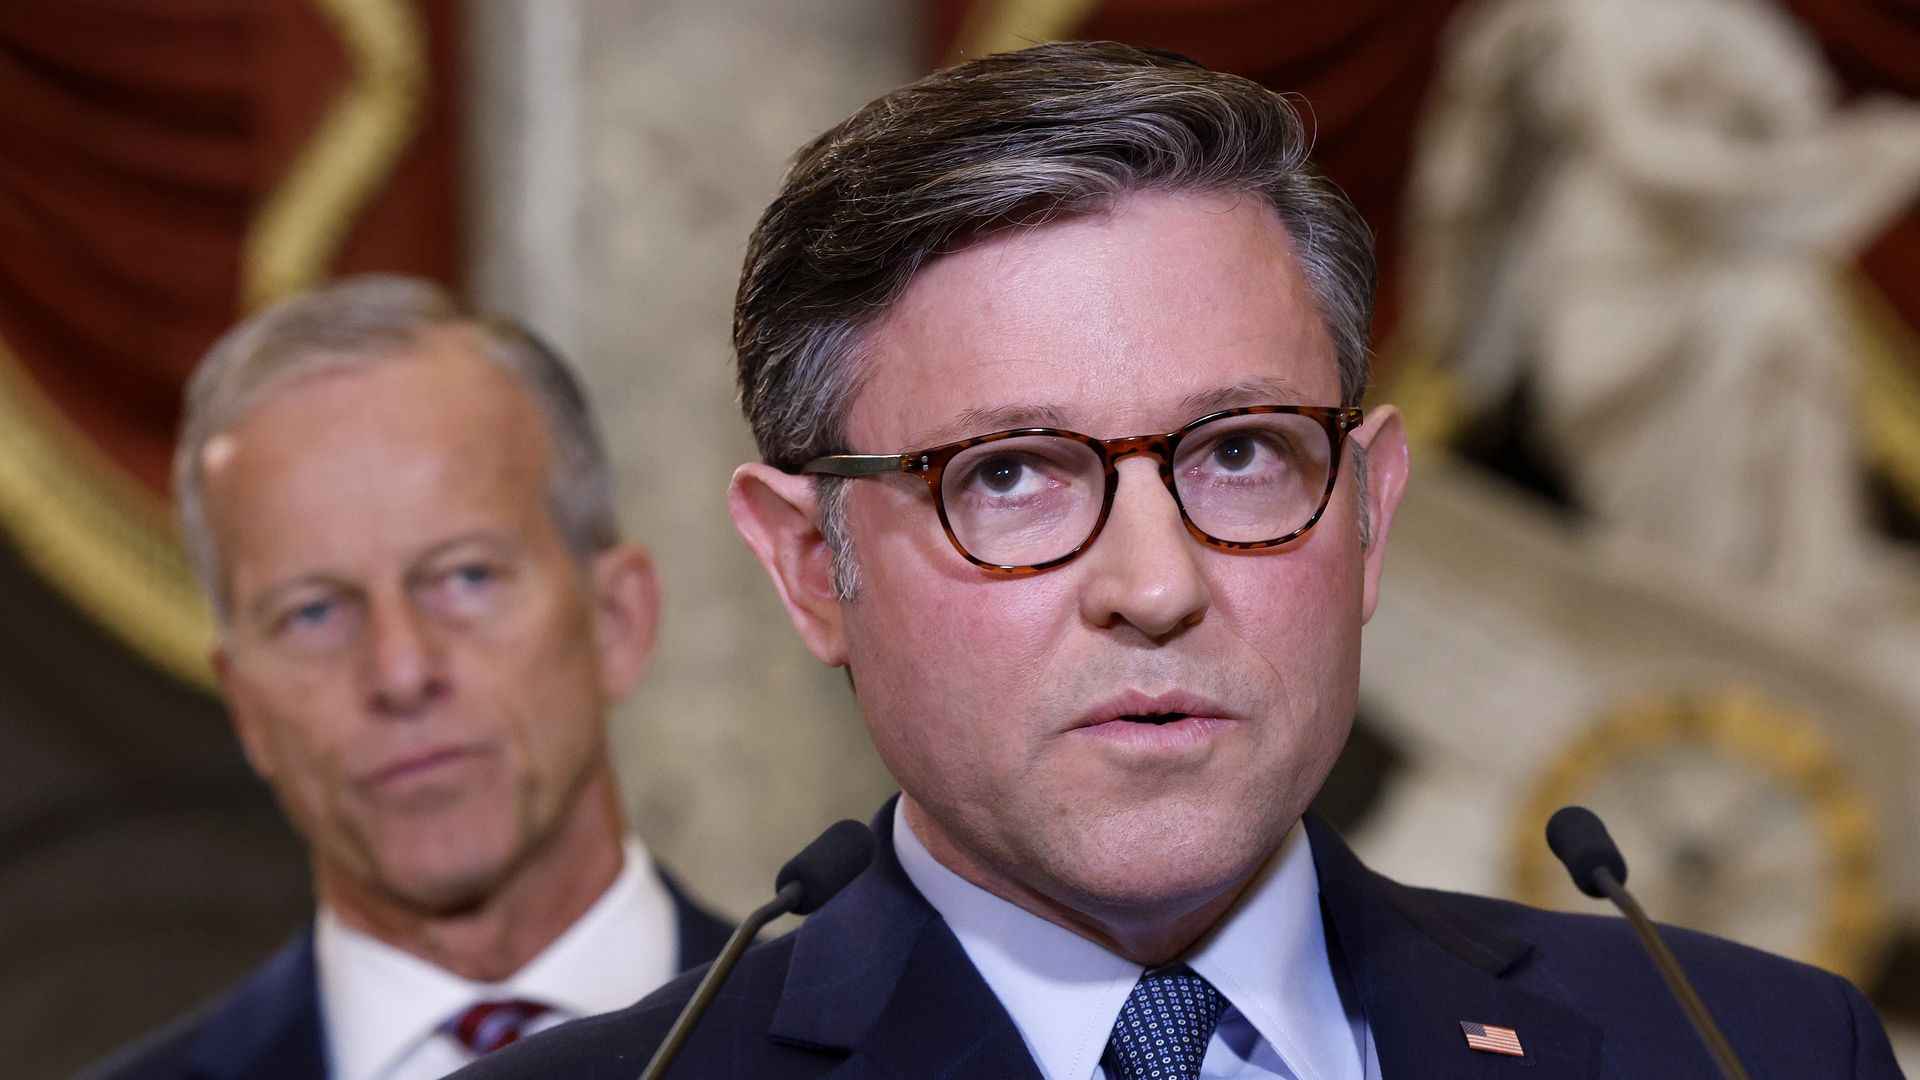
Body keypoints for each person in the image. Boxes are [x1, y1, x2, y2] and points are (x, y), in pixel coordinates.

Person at [462, 42, 1901, 1079]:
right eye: (1008, 475)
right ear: (807, 565)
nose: (1156, 588)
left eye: (1241, 453)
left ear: (1369, 513)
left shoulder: (1751, 1050)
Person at [86, 276, 732, 1080]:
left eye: (466, 577)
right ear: (244, 705)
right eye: (314, 612)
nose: (400, 671)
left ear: (616, 620)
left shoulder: (866, 1057)